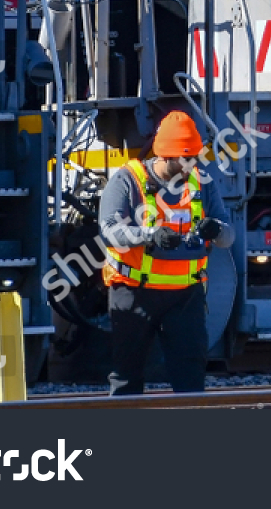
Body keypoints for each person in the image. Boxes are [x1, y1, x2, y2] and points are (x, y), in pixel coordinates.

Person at [100, 110, 234, 395]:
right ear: (165, 156)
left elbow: (228, 236)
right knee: (127, 377)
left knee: (190, 374)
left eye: (195, 157)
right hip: (134, 292)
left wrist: (217, 231)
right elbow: (109, 230)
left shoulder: (200, 181)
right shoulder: (126, 180)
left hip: (186, 296)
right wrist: (149, 236)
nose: (192, 165)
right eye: (187, 159)